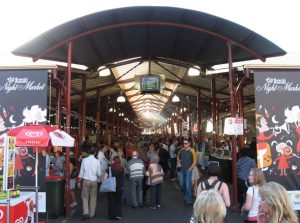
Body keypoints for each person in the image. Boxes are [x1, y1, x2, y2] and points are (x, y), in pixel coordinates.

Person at [77, 146, 102, 220]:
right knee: (93, 197)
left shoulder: (84, 160)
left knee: (85, 197)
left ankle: (86, 213)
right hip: (94, 181)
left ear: (89, 152)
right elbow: (99, 173)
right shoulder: (97, 161)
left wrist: (79, 181)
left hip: (85, 180)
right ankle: (92, 214)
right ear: (95, 153)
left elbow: (81, 172)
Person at [177, 137, 197, 206]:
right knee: (182, 184)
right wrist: (179, 162)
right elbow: (178, 157)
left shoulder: (192, 151)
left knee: (188, 185)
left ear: (189, 144)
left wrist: (190, 168)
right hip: (182, 169)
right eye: (183, 143)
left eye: (185, 143)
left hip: (188, 170)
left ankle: (188, 200)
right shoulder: (181, 150)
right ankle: (187, 195)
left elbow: (195, 161)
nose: (184, 145)